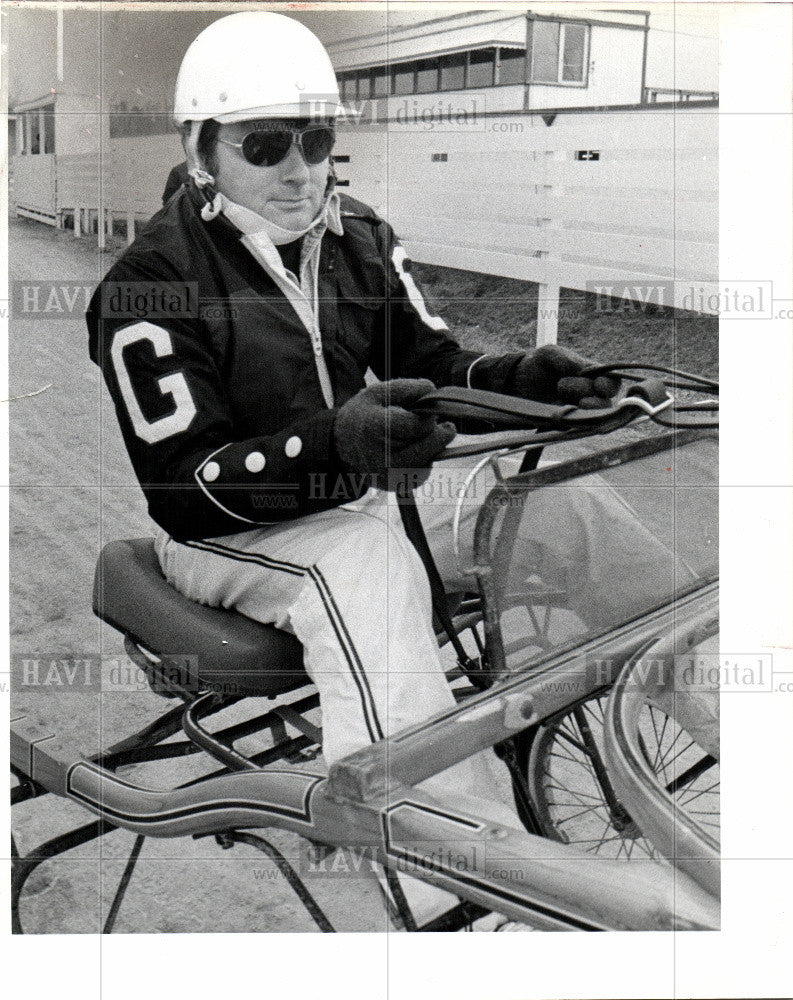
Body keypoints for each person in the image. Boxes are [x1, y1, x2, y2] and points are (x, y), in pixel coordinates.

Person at [87, 11, 620, 928]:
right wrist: (330, 445)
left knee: (572, 507)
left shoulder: (359, 236)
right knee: (366, 573)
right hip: (230, 534)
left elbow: (436, 359)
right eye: (264, 145)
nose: (298, 169)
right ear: (200, 147)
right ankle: (466, 895)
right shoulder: (150, 284)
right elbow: (183, 486)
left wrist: (517, 375)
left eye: (316, 140)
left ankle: (704, 752)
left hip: (357, 493)